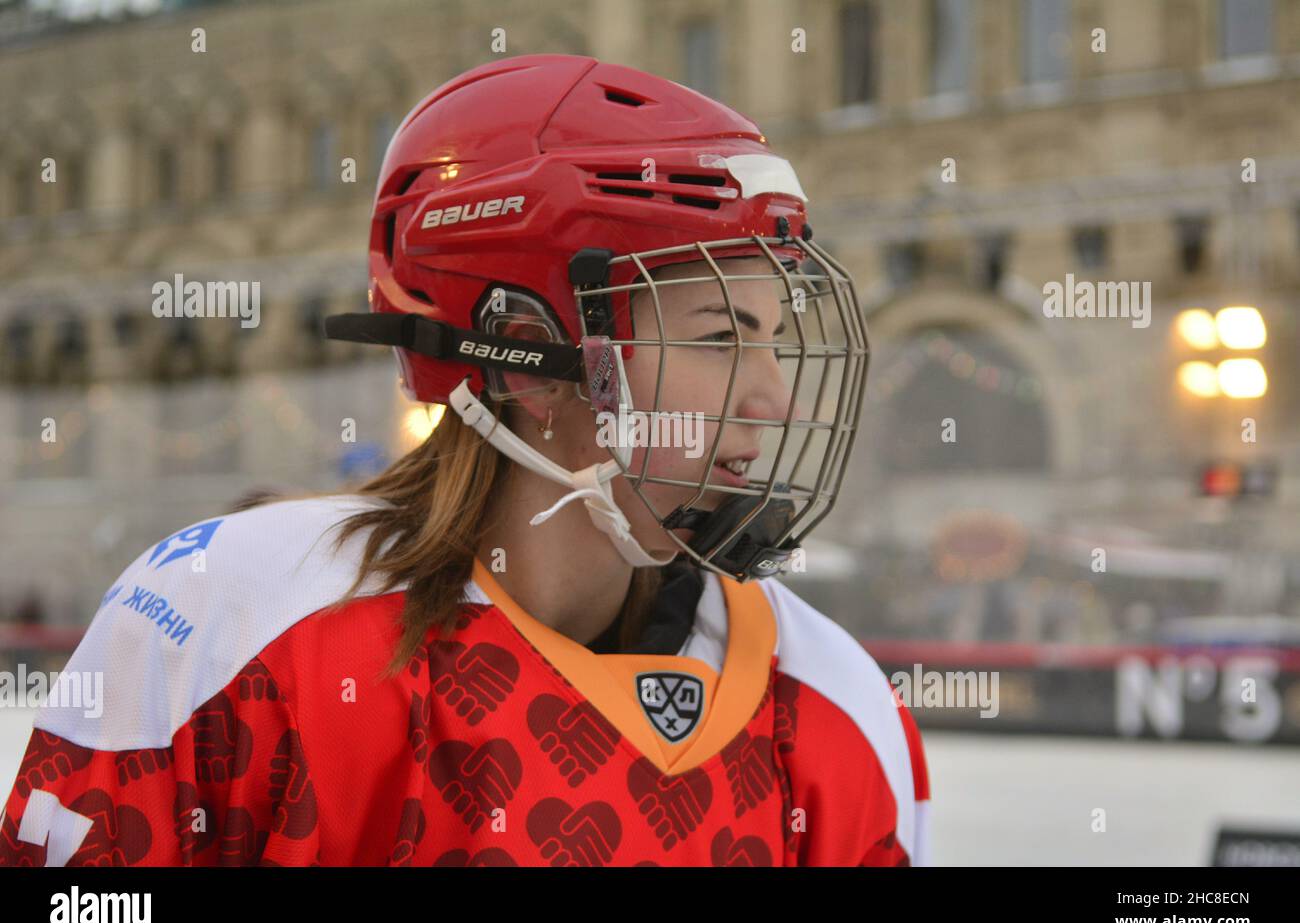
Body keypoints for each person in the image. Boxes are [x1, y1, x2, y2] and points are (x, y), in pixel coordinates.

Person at [0, 54, 928, 867]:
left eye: (774, 340)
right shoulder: (235, 627)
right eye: (723, 335)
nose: (774, 398)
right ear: (527, 356)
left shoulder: (830, 698)